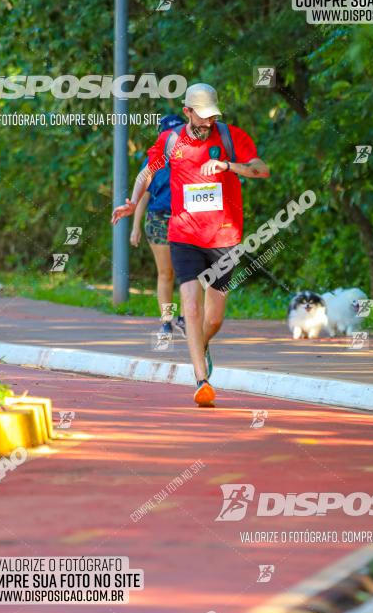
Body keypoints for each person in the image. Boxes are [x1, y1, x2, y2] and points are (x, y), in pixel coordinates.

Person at [112, 83, 270, 406]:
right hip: (183, 235)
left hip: (224, 236)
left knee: (214, 319)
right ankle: (202, 381)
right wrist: (133, 202)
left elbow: (261, 170)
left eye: (213, 117)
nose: (208, 124)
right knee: (192, 308)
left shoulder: (229, 137)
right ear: (187, 112)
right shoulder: (171, 141)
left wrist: (230, 166)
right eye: (202, 117)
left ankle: (203, 345)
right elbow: (147, 172)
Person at [130, 114, 186, 339]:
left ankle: (185, 318)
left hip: (186, 218)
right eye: (168, 133)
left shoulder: (190, 156)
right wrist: (135, 226)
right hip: (159, 218)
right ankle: (166, 321)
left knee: (187, 272)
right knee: (166, 272)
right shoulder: (153, 160)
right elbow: (144, 194)